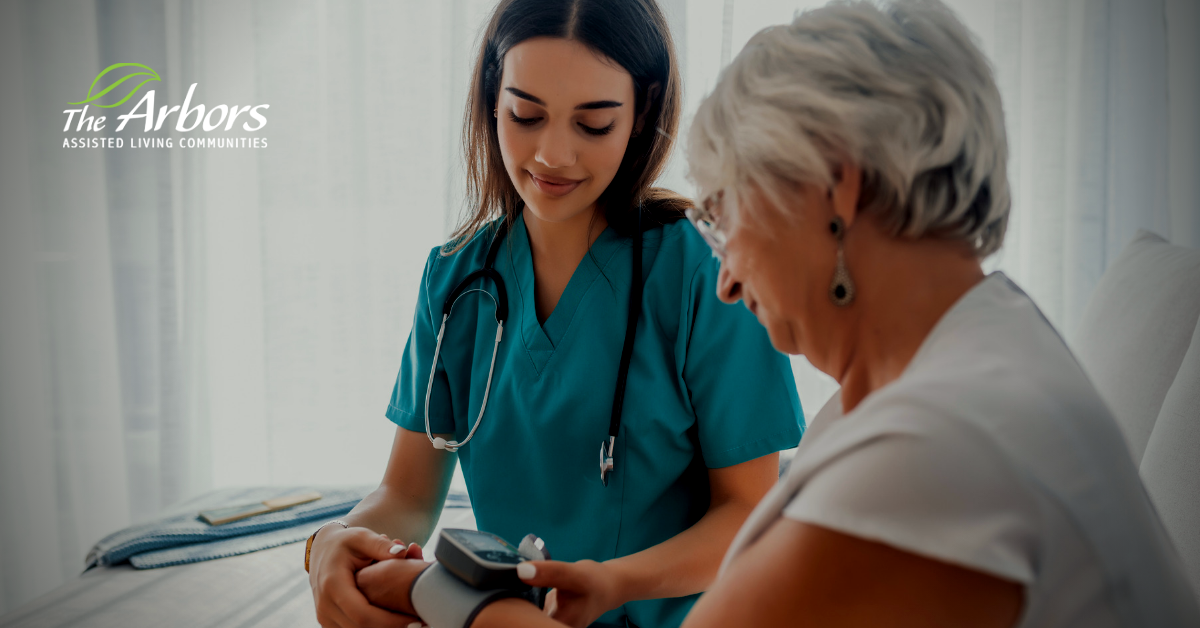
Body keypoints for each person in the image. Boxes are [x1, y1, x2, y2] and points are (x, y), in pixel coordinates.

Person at [347, 0, 1200, 626]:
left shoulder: (932, 449)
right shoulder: (984, 349)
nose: (724, 278)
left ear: (838, 190)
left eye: (730, 213)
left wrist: (446, 598)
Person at [305, 1, 804, 627]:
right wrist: (327, 544)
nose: (553, 156)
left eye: (593, 124)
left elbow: (749, 515)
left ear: (643, 110)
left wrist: (611, 583)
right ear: (492, 99)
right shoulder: (458, 278)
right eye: (526, 115)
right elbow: (407, 496)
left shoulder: (706, 271)